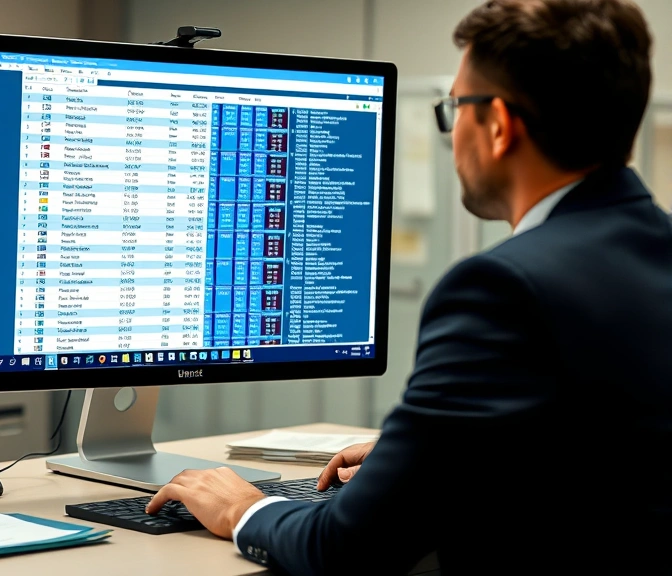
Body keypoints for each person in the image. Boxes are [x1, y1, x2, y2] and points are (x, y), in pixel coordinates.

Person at [145, 0, 672, 573]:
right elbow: (615, 446)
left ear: (497, 125)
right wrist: (432, 456)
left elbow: (346, 549)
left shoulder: (502, 288)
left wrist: (245, 509)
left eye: (455, 108)